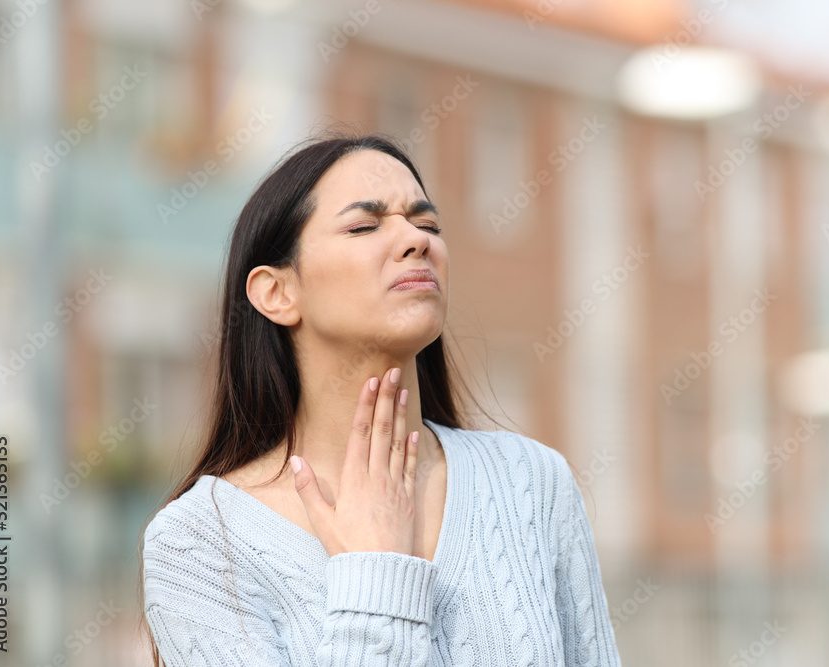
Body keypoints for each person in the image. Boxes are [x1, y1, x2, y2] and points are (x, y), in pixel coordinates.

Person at [138, 130, 622, 666]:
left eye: (427, 223)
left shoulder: (532, 482)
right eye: (364, 225)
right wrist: (375, 575)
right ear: (277, 292)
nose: (417, 241)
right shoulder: (200, 544)